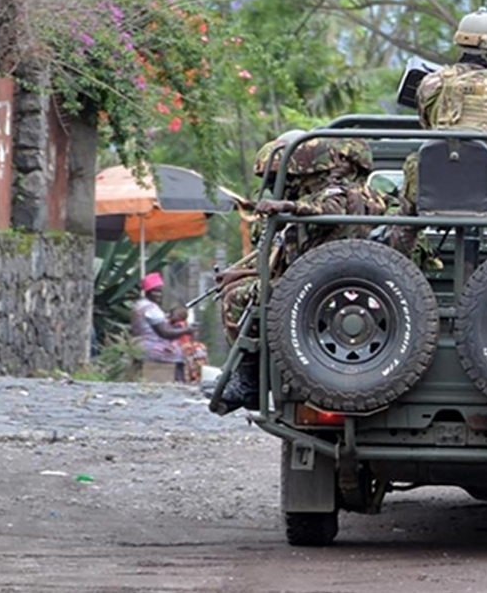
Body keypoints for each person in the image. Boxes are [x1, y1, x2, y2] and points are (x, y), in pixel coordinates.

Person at [218, 134, 395, 412]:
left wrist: (289, 207)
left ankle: (250, 380)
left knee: (236, 300)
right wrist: (243, 272)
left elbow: (330, 209)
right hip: (337, 285)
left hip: (319, 288)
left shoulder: (338, 195)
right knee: (241, 289)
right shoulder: (372, 194)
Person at [393, 8, 487, 250]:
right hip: (486, 182)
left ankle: (390, 267)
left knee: (405, 224)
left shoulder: (429, 84)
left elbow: (427, 126)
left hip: (434, 178)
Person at [130, 272, 189, 376]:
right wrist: (187, 330)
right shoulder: (151, 308)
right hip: (151, 347)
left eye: (160, 292)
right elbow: (165, 333)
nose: (158, 295)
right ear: (148, 292)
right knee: (191, 351)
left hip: (139, 345)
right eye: (155, 292)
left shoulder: (139, 305)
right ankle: (179, 380)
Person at [168, 306, 207, 384]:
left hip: (183, 344)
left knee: (184, 362)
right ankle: (190, 377)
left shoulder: (181, 324)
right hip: (180, 345)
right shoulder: (180, 325)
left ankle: (190, 377)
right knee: (183, 363)